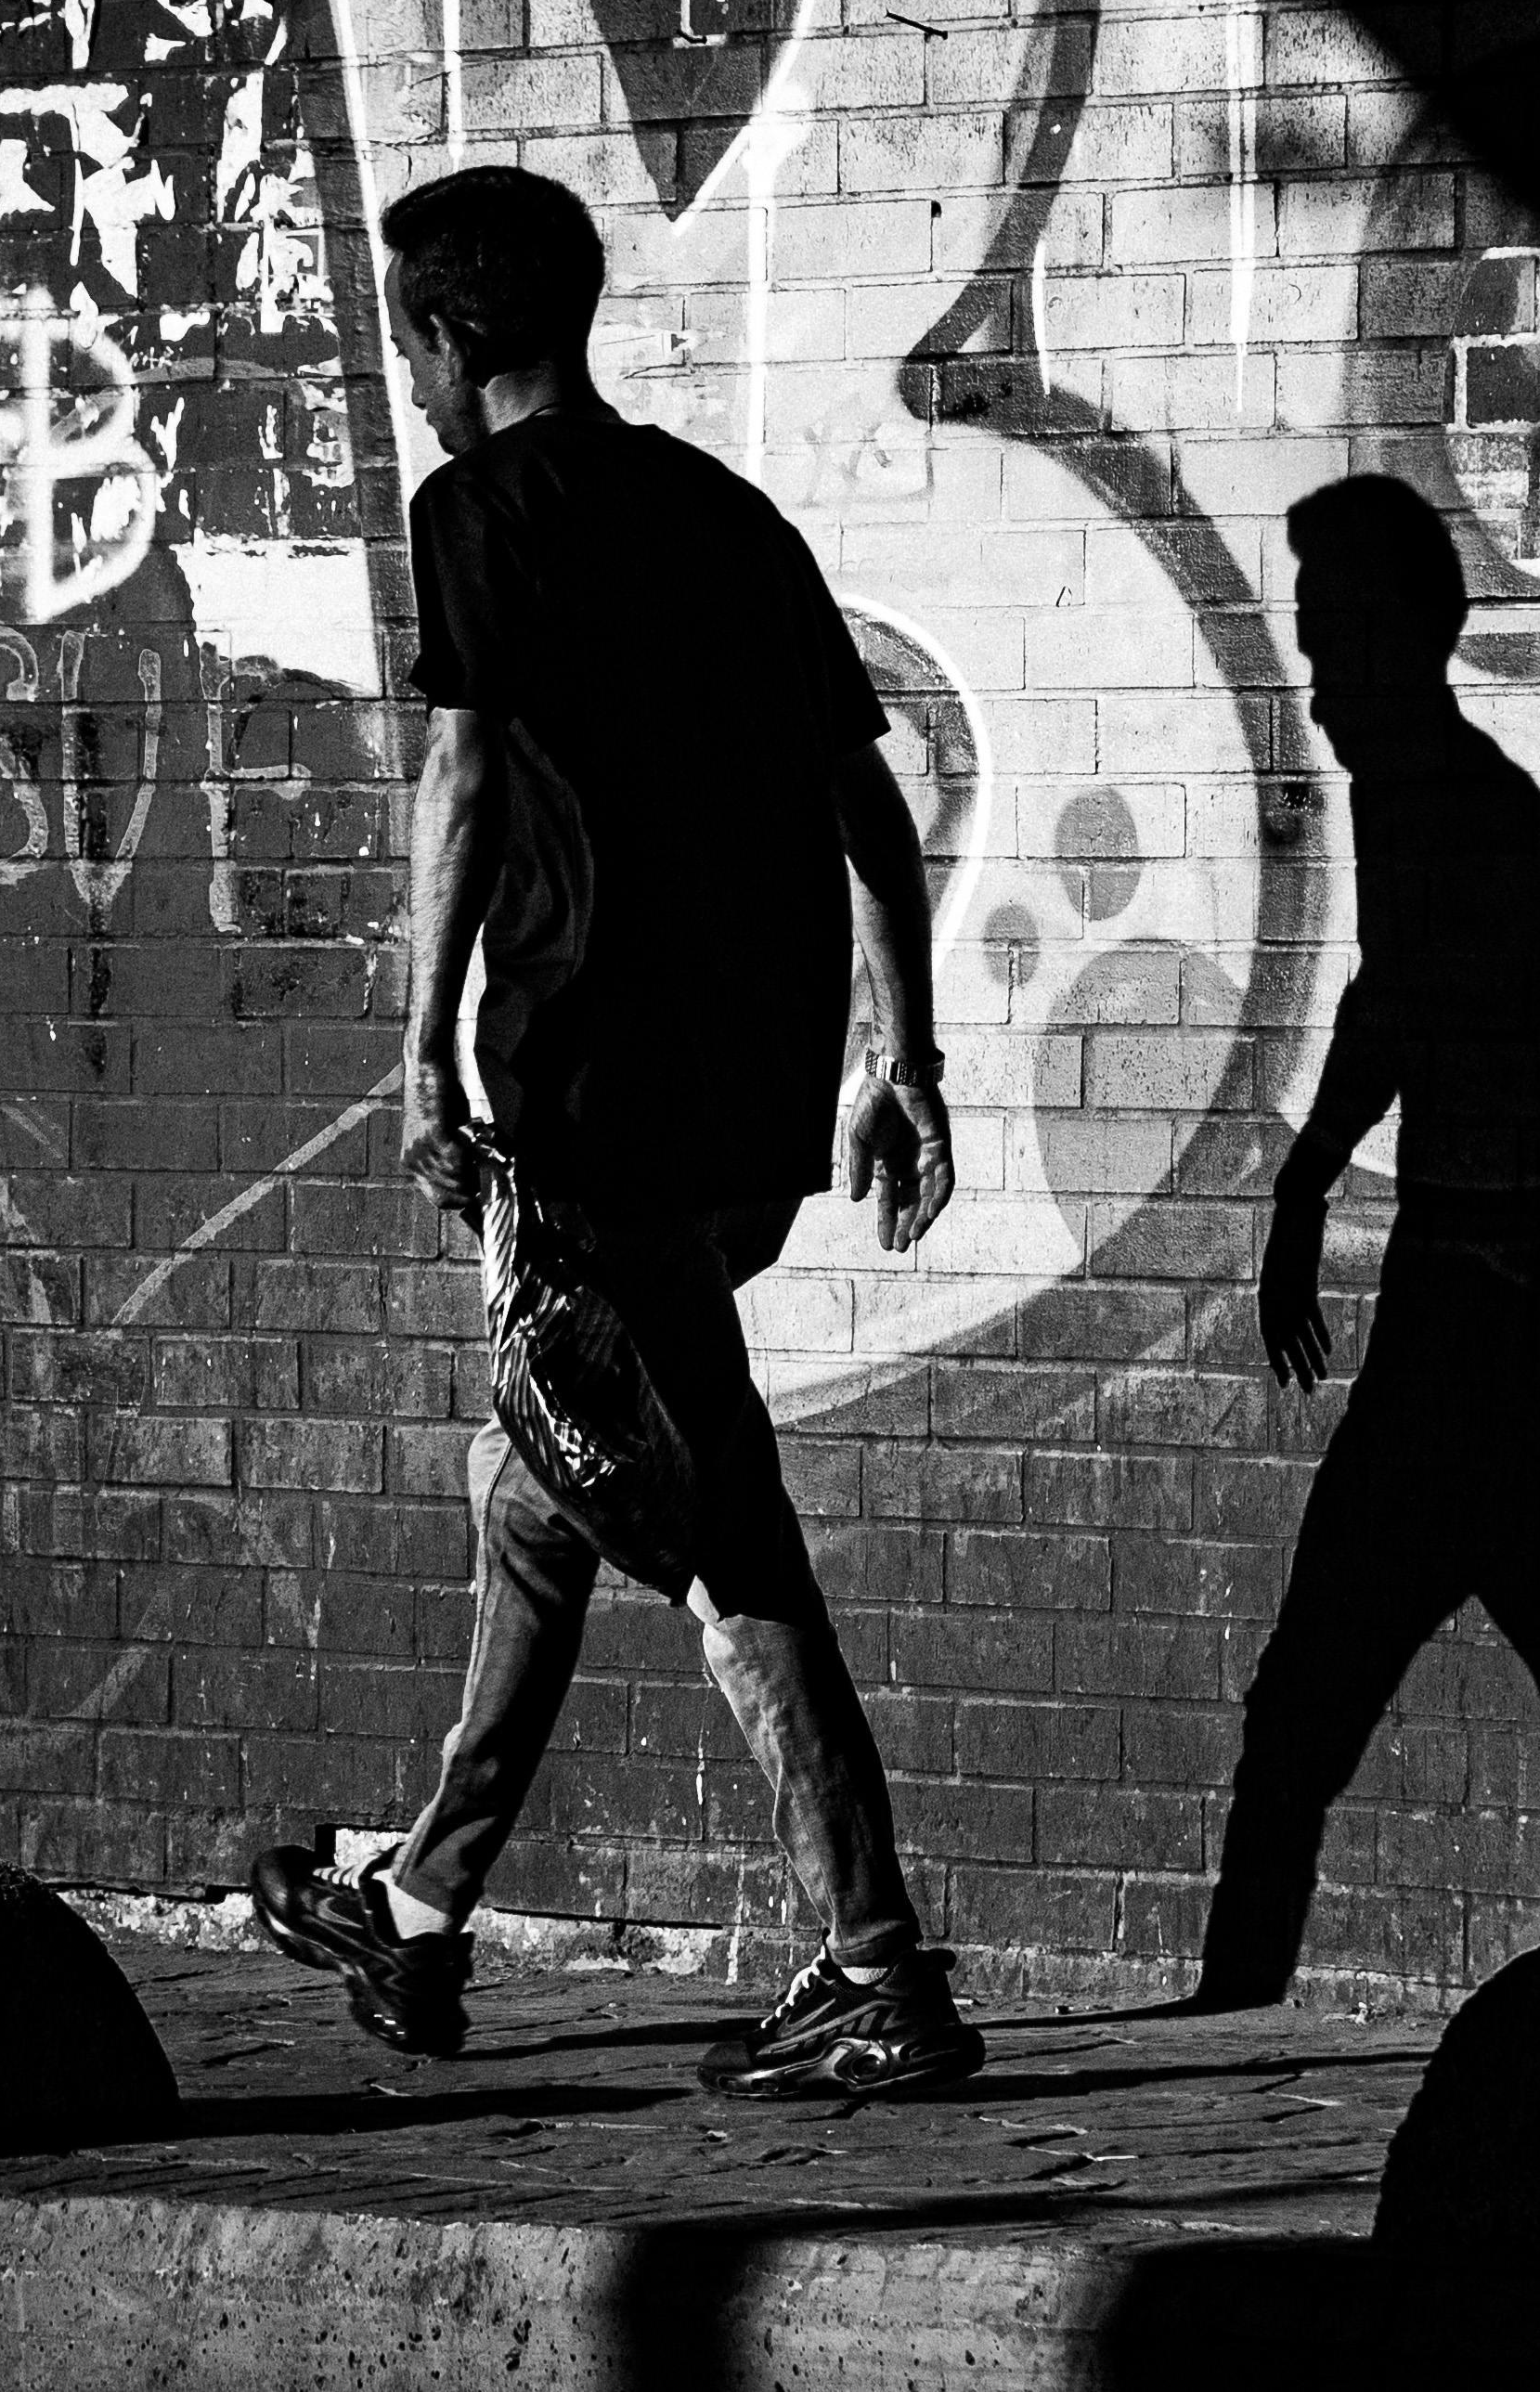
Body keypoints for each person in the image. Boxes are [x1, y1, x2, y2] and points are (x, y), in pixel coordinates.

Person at [243, 164, 980, 2097]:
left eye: (405, 341)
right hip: (744, 1106)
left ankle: (876, 1969)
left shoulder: (482, 509)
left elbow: (466, 768)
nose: (407, 377)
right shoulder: (728, 516)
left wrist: (418, 1054)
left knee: (719, 1536)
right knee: (542, 1486)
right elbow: (865, 801)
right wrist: (905, 1051)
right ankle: (417, 1908)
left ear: (443, 338)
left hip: (596, 1094)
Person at [1192, 475, 1540, 2006]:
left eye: (1342, 639)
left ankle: (1229, 2003)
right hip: (1505, 1278)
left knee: (1325, 1686)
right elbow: (1388, 993)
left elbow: (1402, 1003)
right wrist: (1314, 1179)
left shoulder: (1442, 792)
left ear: (1422, 635)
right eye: (1309, 642)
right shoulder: (1414, 781)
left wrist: (1300, 1188)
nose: (1322, 680)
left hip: (1507, 1288)